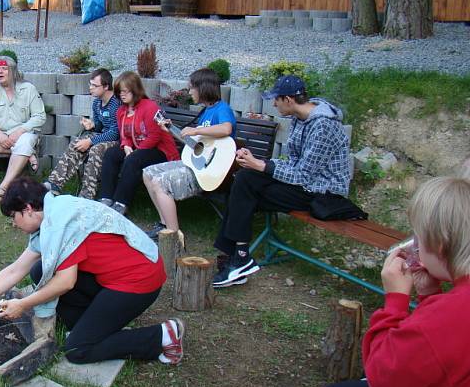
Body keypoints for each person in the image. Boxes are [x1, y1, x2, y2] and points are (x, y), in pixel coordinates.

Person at [0, 177, 185, 365]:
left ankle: (163, 336)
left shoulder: (62, 223)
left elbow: (66, 282)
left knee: (76, 349)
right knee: (38, 271)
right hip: (112, 276)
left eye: (13, 218)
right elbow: (15, 271)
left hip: (138, 281)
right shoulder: (52, 216)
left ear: (28, 209)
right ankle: (95, 325)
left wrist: (24, 304)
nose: (14, 224)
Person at [312, 176, 470, 387]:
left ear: (439, 245)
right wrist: (429, 294)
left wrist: (395, 302)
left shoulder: (453, 313)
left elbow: (383, 379)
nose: (415, 245)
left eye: (419, 237)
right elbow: (439, 354)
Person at [212, 75, 351, 288]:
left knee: (247, 186)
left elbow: (304, 176)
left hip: (324, 194)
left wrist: (262, 166)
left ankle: (237, 256)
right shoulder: (299, 118)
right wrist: (260, 162)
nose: (273, 104)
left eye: (276, 99)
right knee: (244, 178)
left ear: (288, 99)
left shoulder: (324, 126)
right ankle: (237, 256)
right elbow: (292, 162)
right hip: (304, 185)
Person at [142, 68, 236, 239]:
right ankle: (164, 224)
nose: (189, 91)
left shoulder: (222, 109)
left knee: (160, 182)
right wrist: (172, 130)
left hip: (211, 173)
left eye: (192, 87)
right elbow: (199, 146)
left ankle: (173, 236)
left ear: (203, 87)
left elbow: (226, 128)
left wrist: (194, 131)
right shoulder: (205, 111)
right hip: (199, 165)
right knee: (148, 173)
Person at [98, 71, 179, 215]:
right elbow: (125, 134)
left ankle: (120, 204)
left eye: (124, 91)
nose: (121, 95)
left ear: (134, 89)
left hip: (160, 151)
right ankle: (106, 199)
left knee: (134, 159)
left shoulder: (150, 107)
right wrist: (126, 145)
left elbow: (155, 136)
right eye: (119, 92)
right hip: (138, 149)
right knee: (111, 154)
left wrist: (136, 151)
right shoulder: (122, 110)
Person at [0, 55, 46, 202]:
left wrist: (20, 131)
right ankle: (28, 153)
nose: (0, 72)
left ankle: (4, 187)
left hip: (24, 133)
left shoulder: (28, 89)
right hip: (0, 134)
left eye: (4, 69)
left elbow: (39, 116)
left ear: (12, 71)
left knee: (24, 142)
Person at [44, 68, 120, 199]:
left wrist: (90, 141)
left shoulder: (116, 103)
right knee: (77, 143)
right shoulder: (97, 102)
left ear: (106, 86)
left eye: (95, 86)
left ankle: (86, 195)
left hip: (118, 140)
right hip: (104, 136)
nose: (90, 88)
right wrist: (92, 125)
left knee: (96, 149)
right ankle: (54, 184)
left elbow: (115, 132)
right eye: (90, 84)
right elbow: (100, 127)